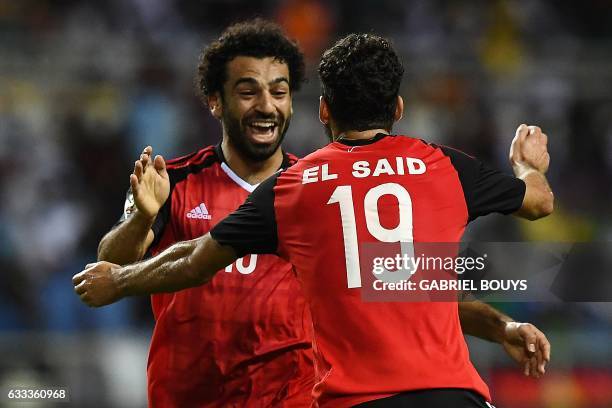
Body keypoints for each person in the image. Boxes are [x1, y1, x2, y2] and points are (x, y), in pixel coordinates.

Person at [81, 30, 552, 407]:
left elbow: (403, 288)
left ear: (312, 107)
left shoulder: (301, 190)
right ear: (216, 102)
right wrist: (141, 223)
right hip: (194, 395)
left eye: (279, 91)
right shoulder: (173, 181)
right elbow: (110, 258)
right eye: (248, 91)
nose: (266, 104)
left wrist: (499, 327)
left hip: (307, 396)